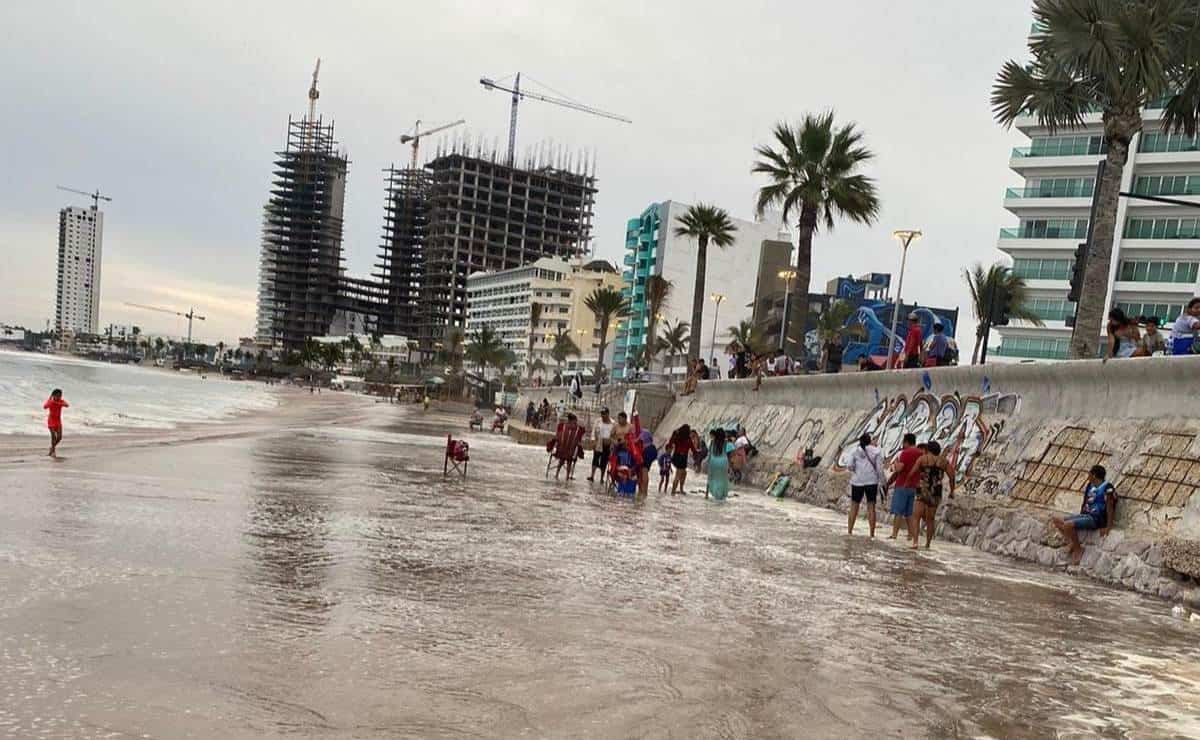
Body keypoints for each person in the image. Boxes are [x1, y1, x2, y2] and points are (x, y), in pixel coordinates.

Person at [1052, 464, 1115, 564]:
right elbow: (1085, 502)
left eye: (1089, 473)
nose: (1088, 475)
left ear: (1094, 475)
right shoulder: (1090, 486)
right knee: (1056, 519)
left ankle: (1078, 549)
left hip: (1096, 519)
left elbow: (1110, 507)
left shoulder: (1107, 488)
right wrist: (1080, 517)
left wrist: (1108, 526)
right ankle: (1071, 542)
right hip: (1086, 515)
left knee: (1069, 525)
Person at [913, 440, 956, 548]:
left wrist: (907, 482)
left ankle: (915, 542)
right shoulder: (944, 462)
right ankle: (928, 544)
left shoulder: (923, 459)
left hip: (923, 488)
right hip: (936, 490)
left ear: (928, 449)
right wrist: (952, 490)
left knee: (916, 516)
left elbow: (913, 471)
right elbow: (952, 476)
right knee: (930, 519)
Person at [886, 433, 922, 545]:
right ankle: (911, 534)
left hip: (902, 485)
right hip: (914, 486)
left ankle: (894, 534)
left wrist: (896, 464)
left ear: (906, 442)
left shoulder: (905, 453)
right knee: (909, 513)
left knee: (898, 512)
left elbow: (900, 469)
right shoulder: (920, 453)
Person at [847, 433, 885, 537]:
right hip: (871, 481)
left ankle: (850, 531)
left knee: (854, 506)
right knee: (871, 507)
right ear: (870, 441)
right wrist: (883, 481)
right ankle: (872, 534)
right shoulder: (876, 451)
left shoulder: (854, 451)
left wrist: (857, 470)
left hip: (857, 481)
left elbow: (849, 465)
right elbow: (879, 469)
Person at [588, 407, 615, 483]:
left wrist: (612, 444)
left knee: (604, 461)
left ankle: (601, 478)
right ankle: (592, 476)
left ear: (608, 414)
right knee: (595, 458)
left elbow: (614, 435)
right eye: (601, 414)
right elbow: (593, 431)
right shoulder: (598, 421)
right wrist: (593, 441)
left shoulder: (613, 423)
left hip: (607, 444)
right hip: (598, 442)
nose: (602, 415)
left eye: (604, 414)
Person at [666, 424, 695, 494]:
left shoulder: (677, 436)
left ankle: (681, 489)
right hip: (683, 458)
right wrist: (697, 453)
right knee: (678, 474)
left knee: (684, 473)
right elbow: (693, 449)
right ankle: (673, 492)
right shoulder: (688, 439)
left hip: (676, 457)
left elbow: (670, 443)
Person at [705, 428, 732, 501]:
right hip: (723, 461)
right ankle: (722, 496)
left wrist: (709, 463)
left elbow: (710, 453)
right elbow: (731, 451)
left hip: (714, 461)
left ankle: (707, 494)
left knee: (712, 478)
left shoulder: (712, 442)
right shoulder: (726, 442)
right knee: (723, 479)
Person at [43, 388, 69, 458]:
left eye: (60, 396)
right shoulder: (50, 401)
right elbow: (44, 407)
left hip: (58, 421)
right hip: (51, 420)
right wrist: (51, 401)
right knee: (53, 436)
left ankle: (51, 448)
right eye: (57, 396)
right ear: (53, 395)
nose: (59, 397)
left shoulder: (61, 401)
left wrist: (58, 403)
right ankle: (53, 452)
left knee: (60, 437)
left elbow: (67, 405)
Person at [637, 430, 656, 496]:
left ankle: (644, 492)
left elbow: (637, 440)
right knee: (645, 471)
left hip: (647, 450)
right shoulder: (647, 432)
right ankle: (643, 491)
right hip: (653, 449)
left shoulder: (642, 433)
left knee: (644, 471)